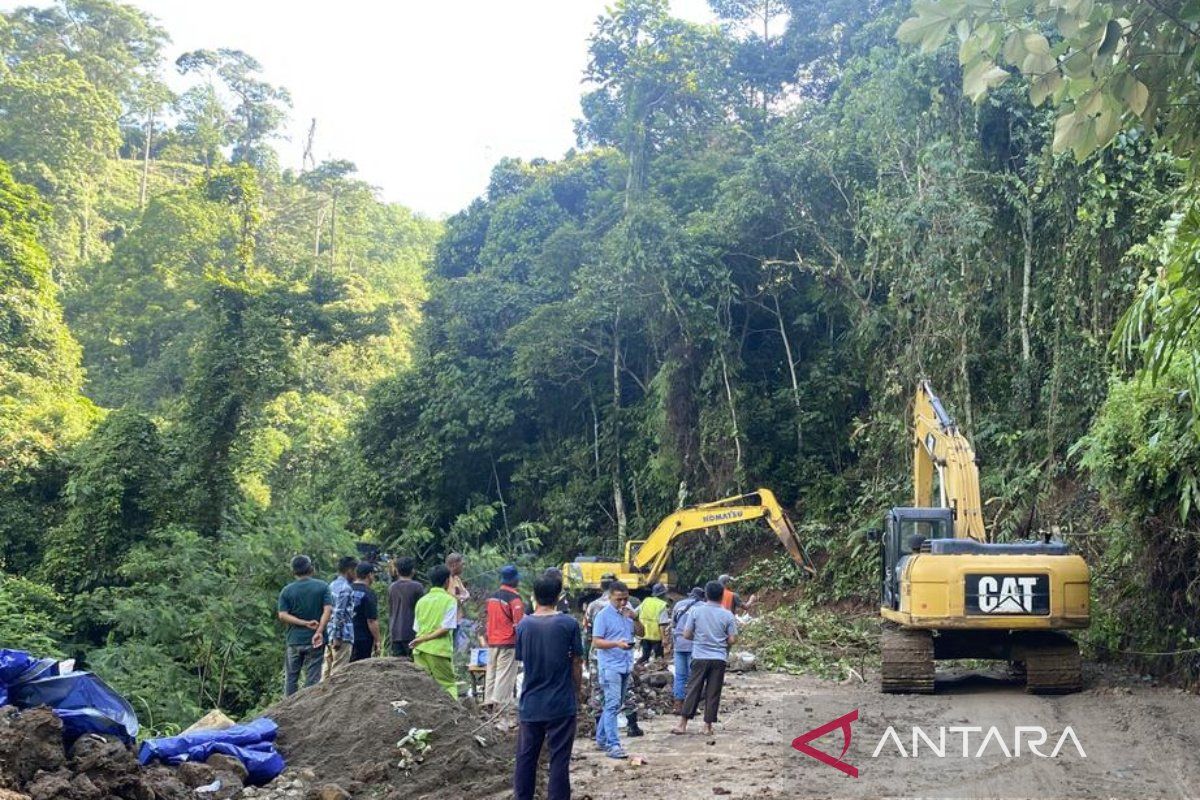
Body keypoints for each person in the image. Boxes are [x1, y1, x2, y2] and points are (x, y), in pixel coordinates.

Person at [513, 574, 583, 800]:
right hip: (561, 703)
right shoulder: (569, 623)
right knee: (559, 760)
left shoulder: (523, 625)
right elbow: (576, 662)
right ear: (559, 596)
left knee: (526, 759)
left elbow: (523, 659)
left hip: (531, 703)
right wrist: (577, 690)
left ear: (533, 596)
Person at [672, 581, 738, 737]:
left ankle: (683, 724)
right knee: (713, 692)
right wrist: (720, 641)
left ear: (706, 595)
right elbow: (732, 639)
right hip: (719, 658)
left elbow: (687, 634)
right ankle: (707, 726)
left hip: (700, 656)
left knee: (693, 689)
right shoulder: (727, 614)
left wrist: (701, 638)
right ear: (722, 596)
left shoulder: (696, 612)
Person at [591, 580, 643, 759]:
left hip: (626, 664)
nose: (622, 603)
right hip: (610, 666)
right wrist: (616, 644)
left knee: (613, 705)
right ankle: (614, 745)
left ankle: (601, 738)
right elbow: (597, 641)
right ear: (610, 597)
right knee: (612, 705)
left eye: (625, 599)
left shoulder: (629, 613)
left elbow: (641, 633)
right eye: (618, 599)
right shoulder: (603, 615)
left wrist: (635, 618)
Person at [277, 555, 332, 696]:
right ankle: (308, 709)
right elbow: (328, 610)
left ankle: (288, 709)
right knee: (312, 678)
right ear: (311, 569)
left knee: (291, 678)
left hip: (294, 641)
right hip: (315, 640)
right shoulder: (322, 587)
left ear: (293, 572)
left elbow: (282, 615)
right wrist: (319, 630)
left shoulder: (287, 591)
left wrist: (303, 623)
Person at [411, 564, 460, 698]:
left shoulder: (421, 601)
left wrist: (422, 639)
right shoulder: (450, 601)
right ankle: (454, 717)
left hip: (419, 650)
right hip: (439, 651)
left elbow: (417, 628)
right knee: (447, 685)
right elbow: (445, 628)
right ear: (447, 581)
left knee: (423, 687)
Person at [485, 565, 525, 710]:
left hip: (492, 641)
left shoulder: (492, 597)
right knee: (504, 676)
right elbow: (519, 625)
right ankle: (500, 709)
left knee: (491, 673)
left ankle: (488, 703)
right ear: (515, 580)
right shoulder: (514, 599)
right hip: (508, 643)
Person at [666, 586, 705, 714]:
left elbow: (673, 624)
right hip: (694, 644)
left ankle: (678, 705)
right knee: (693, 677)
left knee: (680, 676)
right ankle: (692, 705)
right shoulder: (703, 607)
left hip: (679, 644)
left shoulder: (679, 605)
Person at [323, 556, 358, 680]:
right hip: (342, 635)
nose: (356, 574)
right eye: (355, 571)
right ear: (349, 571)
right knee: (339, 671)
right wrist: (337, 636)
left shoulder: (331, 585)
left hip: (329, 632)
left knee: (327, 669)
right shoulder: (346, 588)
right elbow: (339, 613)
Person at [388, 557, 424, 657]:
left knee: (399, 667)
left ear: (397, 571)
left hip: (395, 632)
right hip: (412, 632)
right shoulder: (418, 587)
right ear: (413, 571)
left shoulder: (392, 587)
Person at [349, 562, 381, 662]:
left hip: (346, 636)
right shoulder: (369, 593)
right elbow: (371, 620)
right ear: (369, 575)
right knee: (360, 667)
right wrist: (378, 640)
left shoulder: (347, 589)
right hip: (362, 638)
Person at [636, 583, 669, 664]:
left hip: (645, 635)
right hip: (656, 637)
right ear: (663, 594)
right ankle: (657, 674)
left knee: (645, 656)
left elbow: (635, 613)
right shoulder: (662, 605)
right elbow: (662, 624)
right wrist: (664, 638)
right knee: (659, 658)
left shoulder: (646, 601)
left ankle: (636, 667)